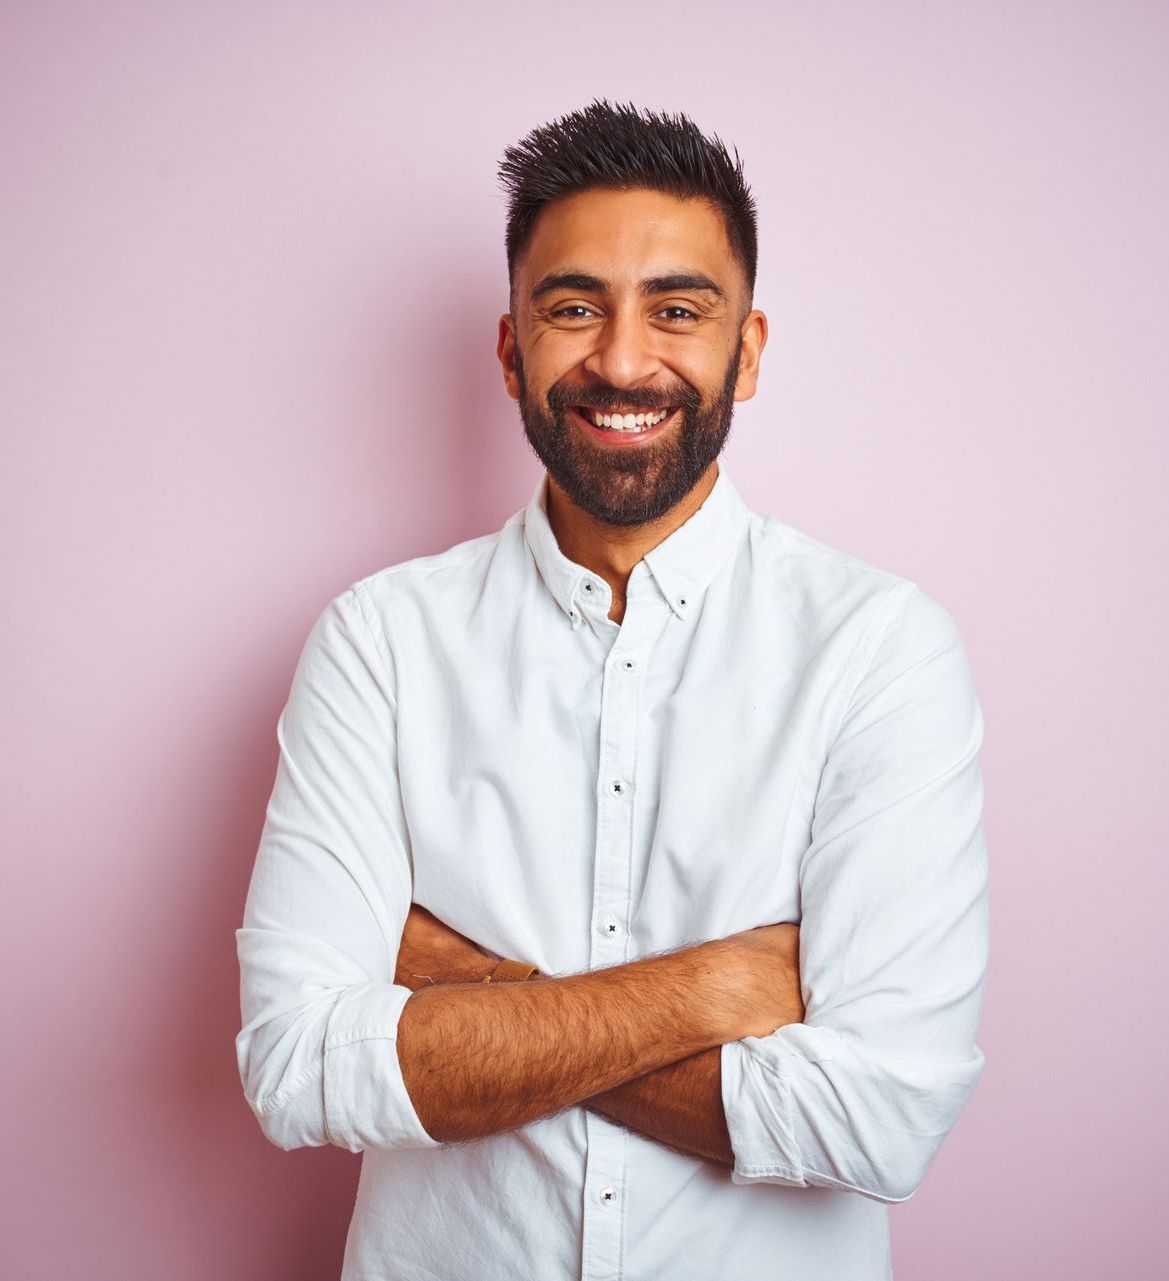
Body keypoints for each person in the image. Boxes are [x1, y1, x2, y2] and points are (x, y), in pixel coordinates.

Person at [236, 98, 990, 1281]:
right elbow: (296, 1067)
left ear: (746, 352)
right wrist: (711, 989)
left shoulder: (879, 651)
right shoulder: (378, 644)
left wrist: (450, 982)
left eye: (677, 311)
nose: (624, 360)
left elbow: (878, 1120)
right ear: (510, 350)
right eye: (574, 307)